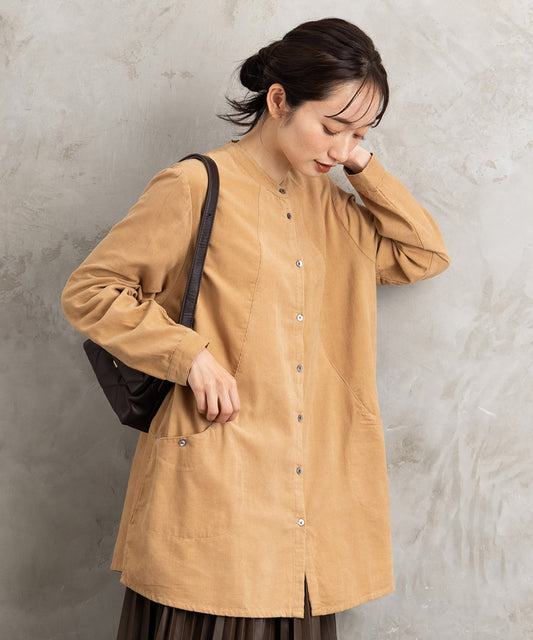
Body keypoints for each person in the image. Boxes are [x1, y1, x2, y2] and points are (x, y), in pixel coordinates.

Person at [61, 17, 450, 640]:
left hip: (310, 513)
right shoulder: (195, 185)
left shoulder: (336, 207)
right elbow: (92, 290)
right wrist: (189, 355)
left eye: (359, 134)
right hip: (218, 487)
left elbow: (422, 255)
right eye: (332, 127)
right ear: (278, 101)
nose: (340, 149)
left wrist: (361, 162)